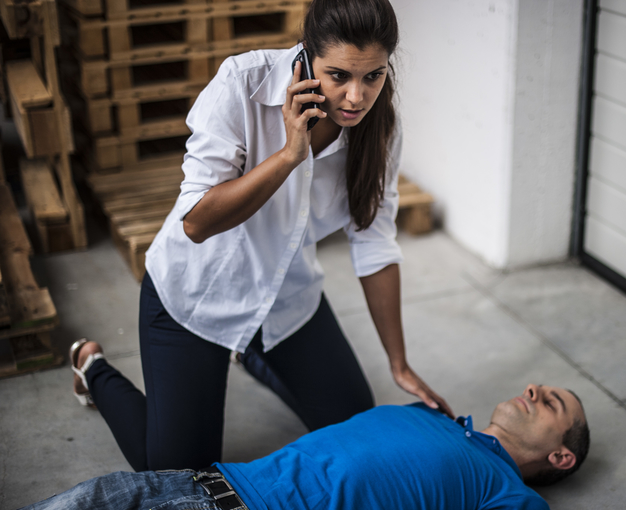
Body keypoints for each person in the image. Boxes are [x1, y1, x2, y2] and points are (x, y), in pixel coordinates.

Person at [70, 0, 453, 473]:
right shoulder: (242, 83)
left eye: (373, 76)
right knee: (178, 472)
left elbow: (374, 240)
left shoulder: (379, 127)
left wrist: (399, 363)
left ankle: (250, 353)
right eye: (339, 76)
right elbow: (196, 222)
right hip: (195, 300)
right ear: (308, 56)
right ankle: (93, 369)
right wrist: (290, 153)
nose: (356, 97)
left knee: (355, 427)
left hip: (285, 298)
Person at [2, 383, 590, 510]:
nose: (533, 390)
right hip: (194, 484)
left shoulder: (516, 499)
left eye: (553, 402)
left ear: (561, 457)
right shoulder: (425, 414)